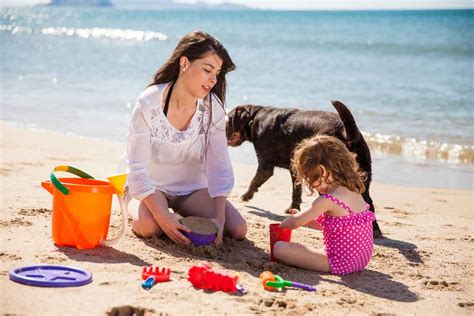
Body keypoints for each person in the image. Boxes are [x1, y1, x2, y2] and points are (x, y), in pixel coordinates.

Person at [124, 31, 247, 246]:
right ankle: (134, 204)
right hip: (152, 188)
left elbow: (219, 165)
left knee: (237, 229)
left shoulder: (213, 109)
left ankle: (179, 213)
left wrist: (219, 218)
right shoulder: (149, 102)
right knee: (148, 227)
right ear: (184, 63)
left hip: (192, 190)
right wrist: (163, 216)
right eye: (207, 69)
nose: (213, 79)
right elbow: (138, 168)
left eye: (217, 73)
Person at [273, 135, 375, 275]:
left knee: (279, 248)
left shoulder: (328, 199)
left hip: (338, 262)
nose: (311, 185)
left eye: (310, 178)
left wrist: (283, 225)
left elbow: (293, 223)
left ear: (322, 171)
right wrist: (307, 222)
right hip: (360, 261)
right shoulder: (353, 190)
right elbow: (337, 226)